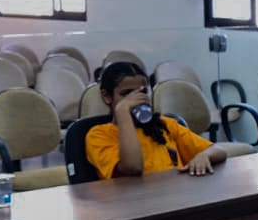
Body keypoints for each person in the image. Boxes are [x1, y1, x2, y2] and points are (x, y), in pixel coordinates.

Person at [87, 61, 248, 178]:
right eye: (126, 93)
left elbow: (218, 151)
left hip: (173, 196)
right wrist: (123, 112)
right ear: (106, 96)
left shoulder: (165, 125)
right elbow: (133, 167)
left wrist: (203, 156)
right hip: (134, 205)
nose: (137, 99)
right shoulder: (98, 135)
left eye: (143, 92)